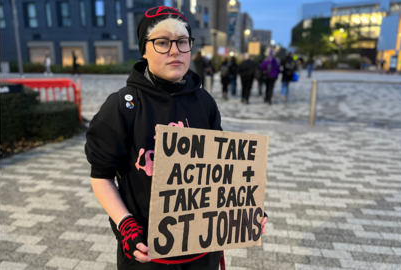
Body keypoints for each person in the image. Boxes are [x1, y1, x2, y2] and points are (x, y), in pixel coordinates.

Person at [84, 6, 268, 270]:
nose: (174, 50)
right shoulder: (122, 106)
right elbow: (101, 176)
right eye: (162, 42)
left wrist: (244, 209)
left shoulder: (204, 101)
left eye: (182, 42)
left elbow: (220, 170)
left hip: (203, 250)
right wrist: (125, 223)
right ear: (144, 50)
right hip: (148, 252)